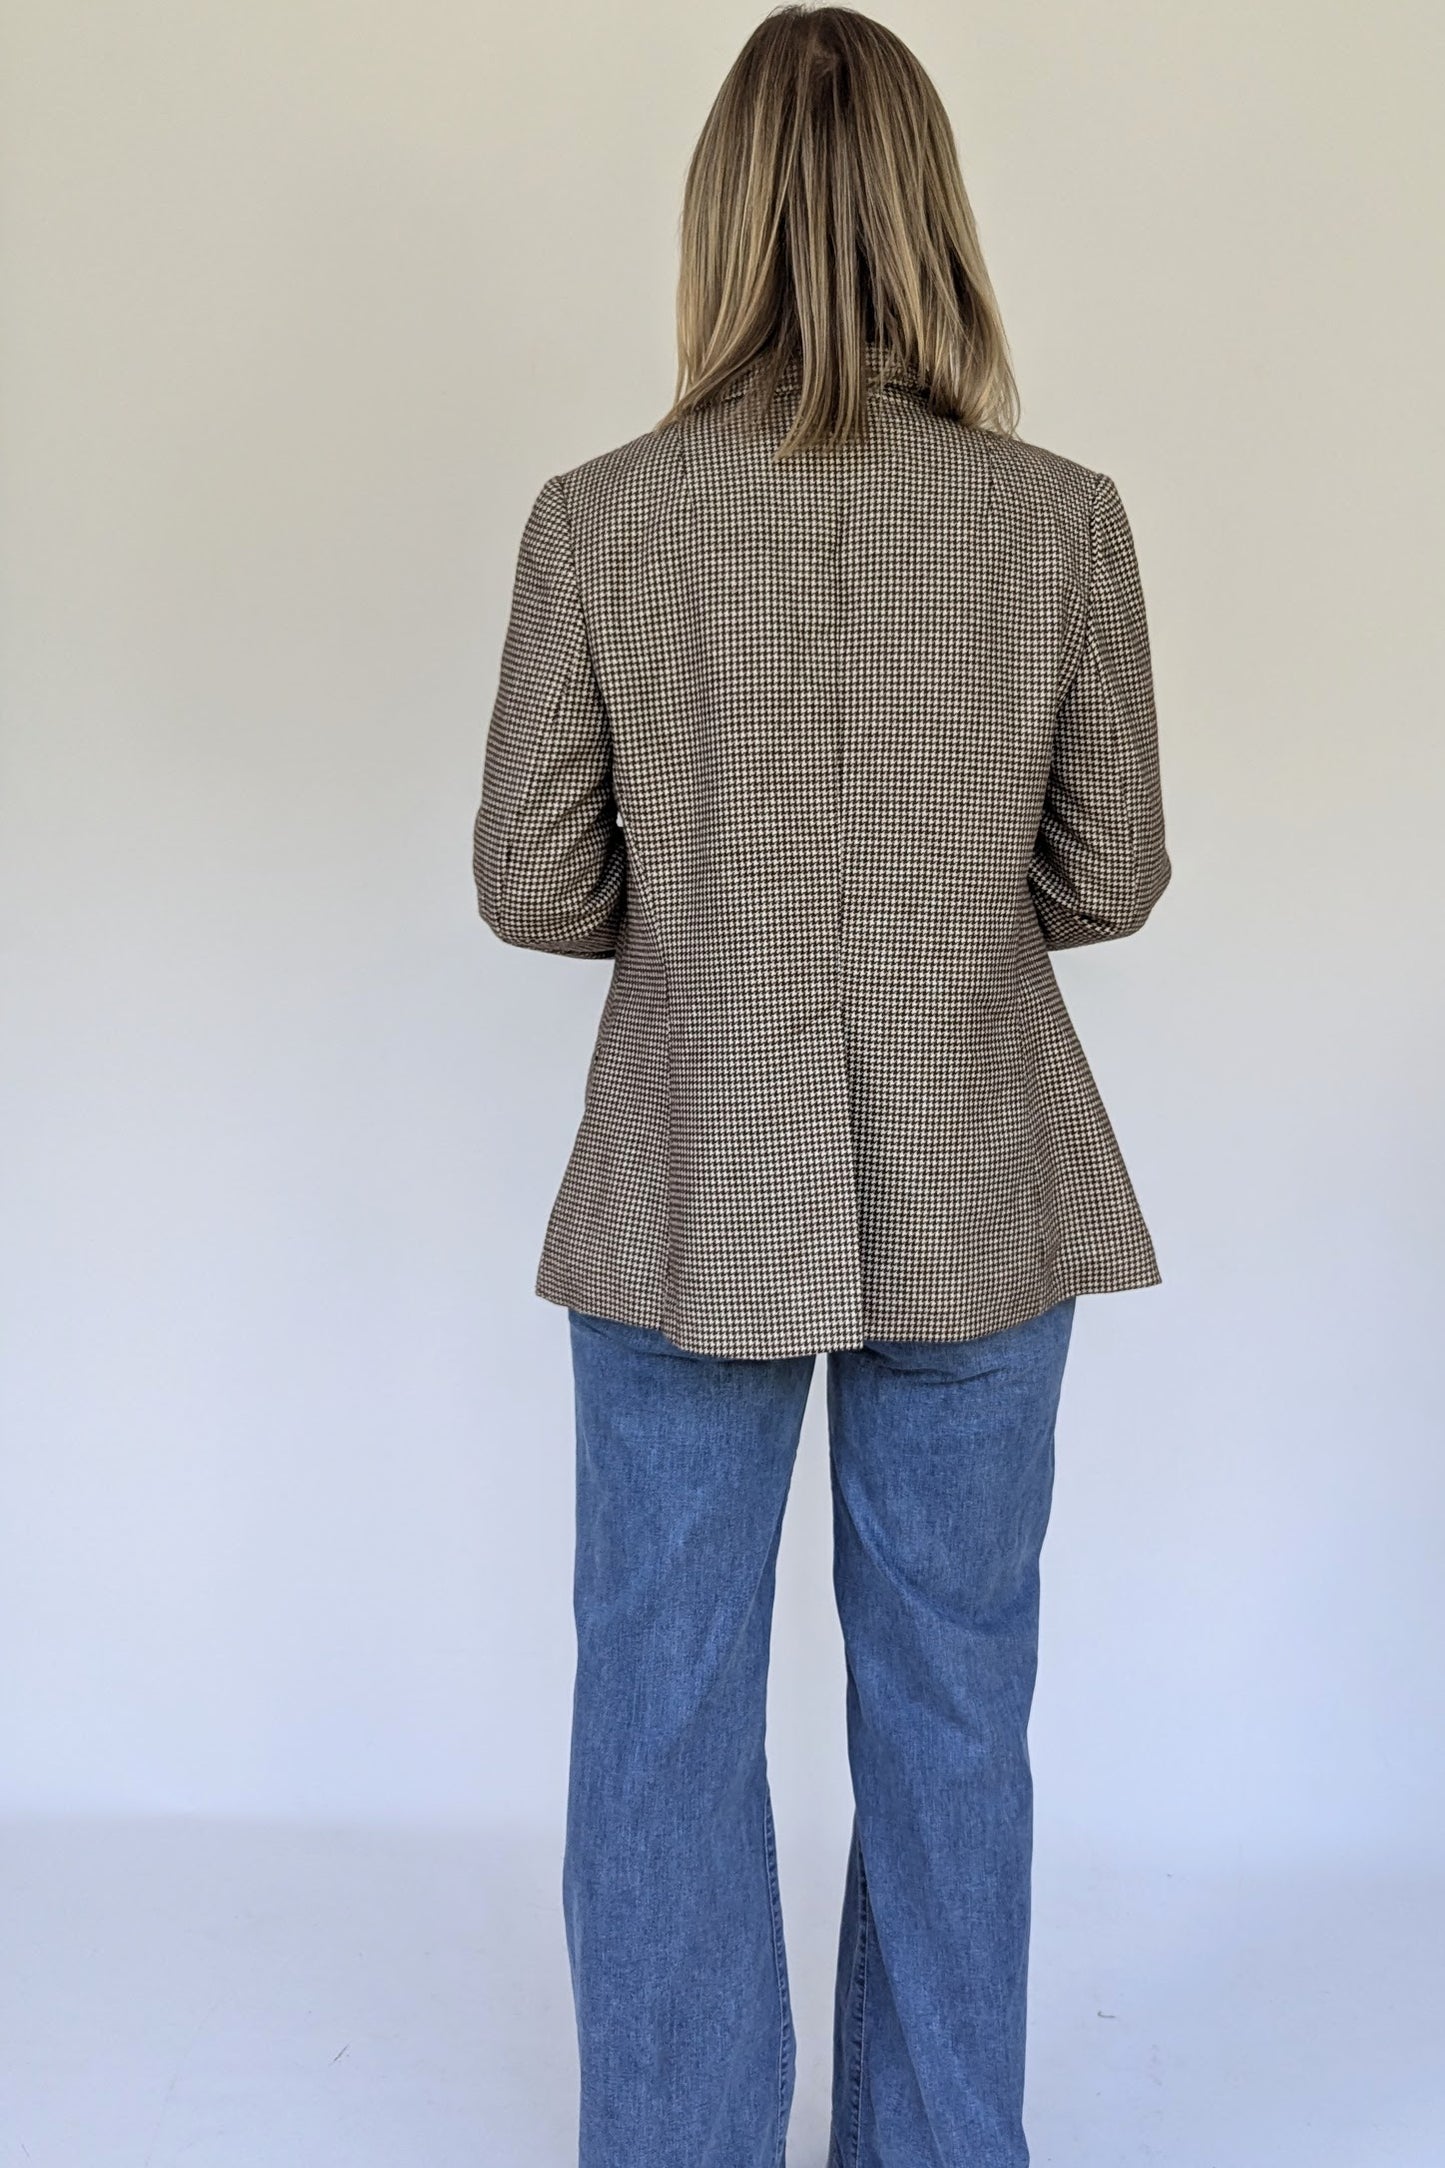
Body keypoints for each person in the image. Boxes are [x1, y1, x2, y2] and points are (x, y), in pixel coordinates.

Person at [473, 7, 1170, 2163]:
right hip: (982, 1180)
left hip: (689, 1183)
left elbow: (527, 877)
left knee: (660, 1724)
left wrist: (709, 936)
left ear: (721, 221)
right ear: (936, 222)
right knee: (956, 1721)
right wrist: (930, 922)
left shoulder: (600, 519)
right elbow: (1113, 873)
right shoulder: (1060, 520)